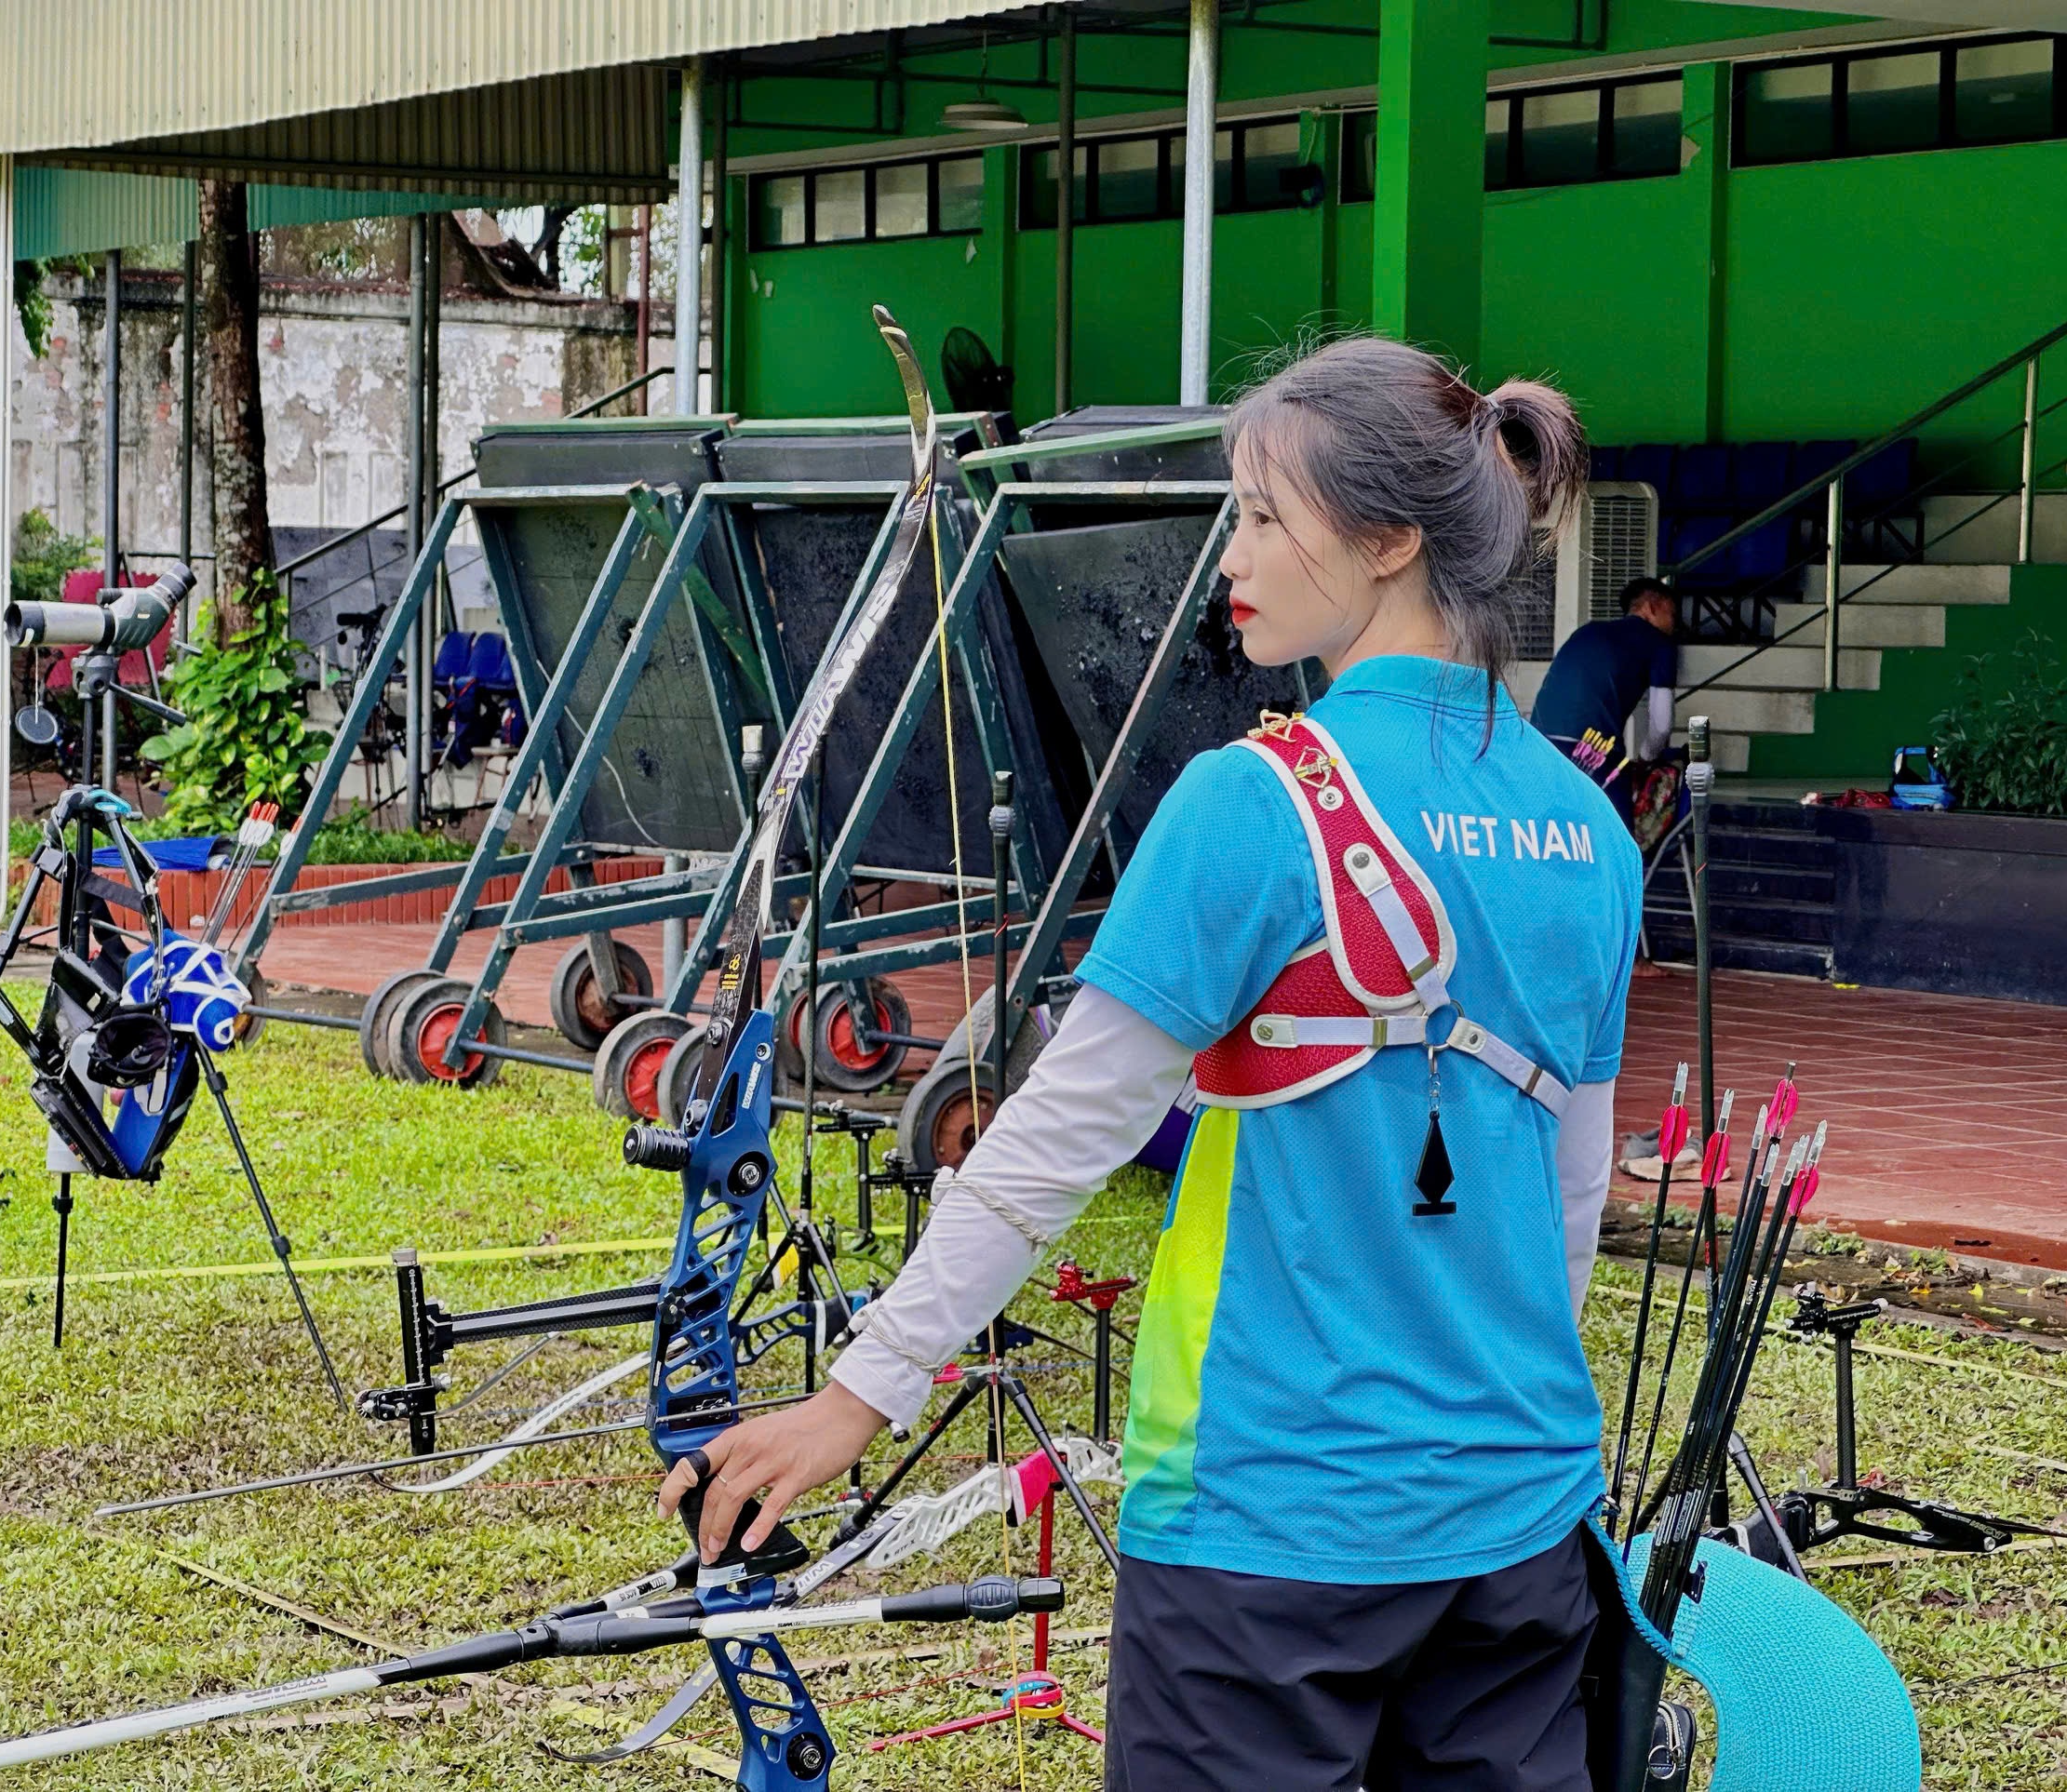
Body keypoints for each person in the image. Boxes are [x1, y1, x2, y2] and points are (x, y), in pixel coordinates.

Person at [661, 337, 1641, 1791]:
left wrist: (855, 1394)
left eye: (1260, 514)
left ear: (1384, 541)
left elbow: (1051, 1144)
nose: (1227, 552)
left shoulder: (1254, 802)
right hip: (1525, 1520)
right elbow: (1573, 1202)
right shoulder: (1591, 827)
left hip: (1267, 1527)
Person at [1529, 577, 1680, 812]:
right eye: (1672, 614)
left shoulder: (1586, 632)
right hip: (1593, 749)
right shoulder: (1659, 644)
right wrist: (1645, 759)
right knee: (1617, 833)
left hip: (1540, 742)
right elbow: (1662, 725)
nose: (1674, 624)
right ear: (1652, 607)